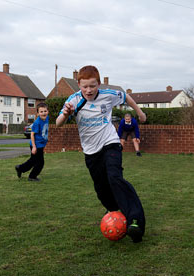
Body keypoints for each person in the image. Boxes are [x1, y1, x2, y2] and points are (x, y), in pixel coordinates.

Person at [56, 65, 146, 243]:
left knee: (115, 177)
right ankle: (114, 211)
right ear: (78, 85)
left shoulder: (108, 95)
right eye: (84, 86)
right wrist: (66, 114)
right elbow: (58, 123)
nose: (88, 90)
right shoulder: (73, 100)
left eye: (92, 86)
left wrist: (140, 113)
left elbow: (125, 96)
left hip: (110, 143)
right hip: (90, 151)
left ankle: (135, 221)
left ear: (98, 83)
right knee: (101, 188)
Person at [15, 102, 49, 182]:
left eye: (45, 111)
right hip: (36, 145)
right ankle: (32, 176)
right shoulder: (37, 123)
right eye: (41, 111)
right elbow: (32, 135)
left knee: (33, 161)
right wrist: (34, 147)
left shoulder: (47, 118)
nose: (43, 113)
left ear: (48, 111)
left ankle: (20, 168)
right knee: (40, 163)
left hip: (41, 144)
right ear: (37, 113)